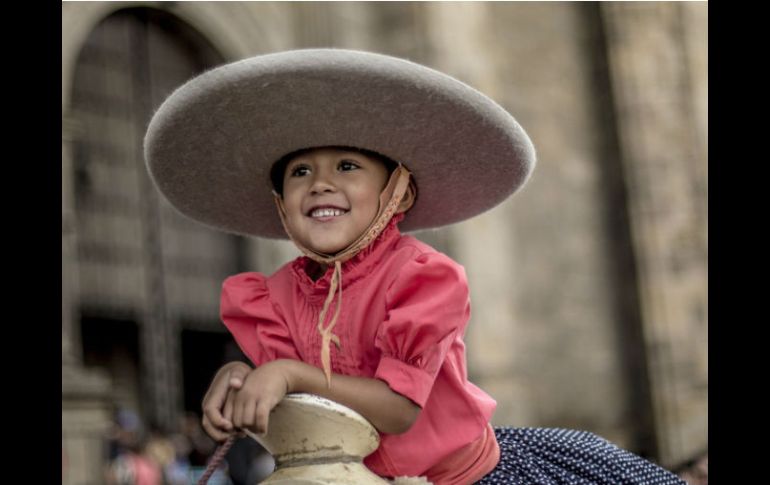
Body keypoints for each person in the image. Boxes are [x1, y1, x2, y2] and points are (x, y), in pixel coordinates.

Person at [145, 49, 685, 484]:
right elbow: (304, 401)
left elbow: (398, 410)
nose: (320, 183)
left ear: (397, 195)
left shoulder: (424, 276)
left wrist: (284, 373)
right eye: (300, 172)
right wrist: (241, 377)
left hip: (466, 479)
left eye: (348, 166)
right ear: (282, 206)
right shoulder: (272, 295)